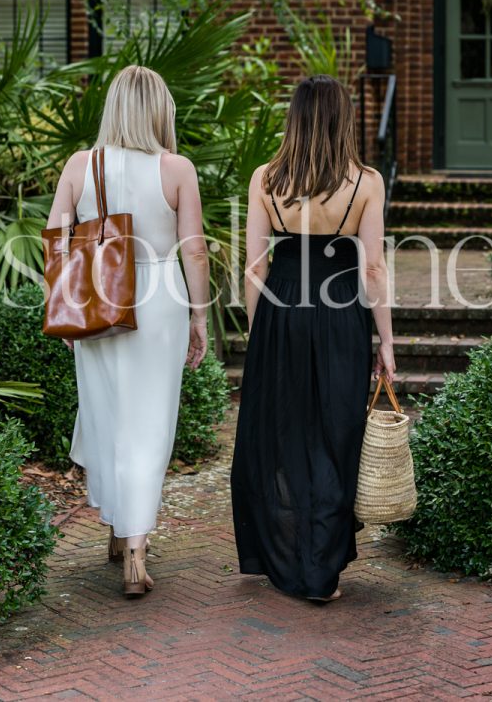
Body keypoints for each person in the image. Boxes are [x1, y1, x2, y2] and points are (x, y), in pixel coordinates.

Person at [230, 74, 395, 602]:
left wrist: (259, 331)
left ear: (295, 118)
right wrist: (386, 342)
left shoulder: (265, 178)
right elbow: (372, 269)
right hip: (341, 312)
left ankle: (288, 557)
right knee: (335, 432)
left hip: (280, 311)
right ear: (341, 118)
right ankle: (320, 568)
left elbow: (255, 266)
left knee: (284, 432)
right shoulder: (366, 182)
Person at [46, 65, 209, 597]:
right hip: (161, 298)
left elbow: (57, 239)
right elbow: (194, 248)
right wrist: (200, 314)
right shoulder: (176, 168)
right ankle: (135, 549)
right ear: (161, 109)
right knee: (149, 423)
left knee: (107, 412)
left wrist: (62, 303)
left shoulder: (79, 165)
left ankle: (120, 529)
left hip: (97, 296)